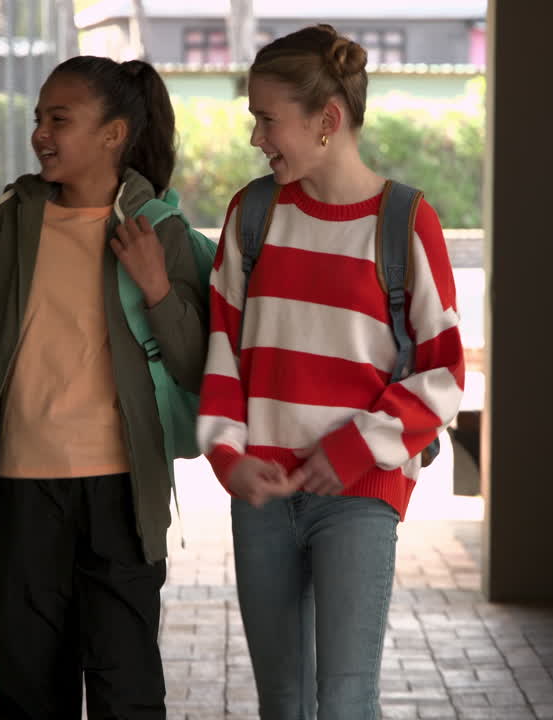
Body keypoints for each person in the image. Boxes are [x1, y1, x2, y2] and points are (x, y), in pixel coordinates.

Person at [0, 56, 208, 719]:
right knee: (26, 690)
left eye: (61, 119)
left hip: (123, 489)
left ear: (113, 134)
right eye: (38, 119)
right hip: (26, 485)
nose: (42, 134)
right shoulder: (11, 219)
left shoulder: (158, 230)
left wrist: (158, 287)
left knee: (126, 687)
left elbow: (196, 365)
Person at [195, 24, 465, 719]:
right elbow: (224, 348)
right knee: (283, 704)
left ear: (328, 121)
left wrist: (352, 451)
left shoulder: (405, 221)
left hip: (361, 492)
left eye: (268, 119)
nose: (257, 137)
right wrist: (227, 457)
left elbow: (443, 373)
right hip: (261, 494)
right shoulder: (252, 215)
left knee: (345, 701)